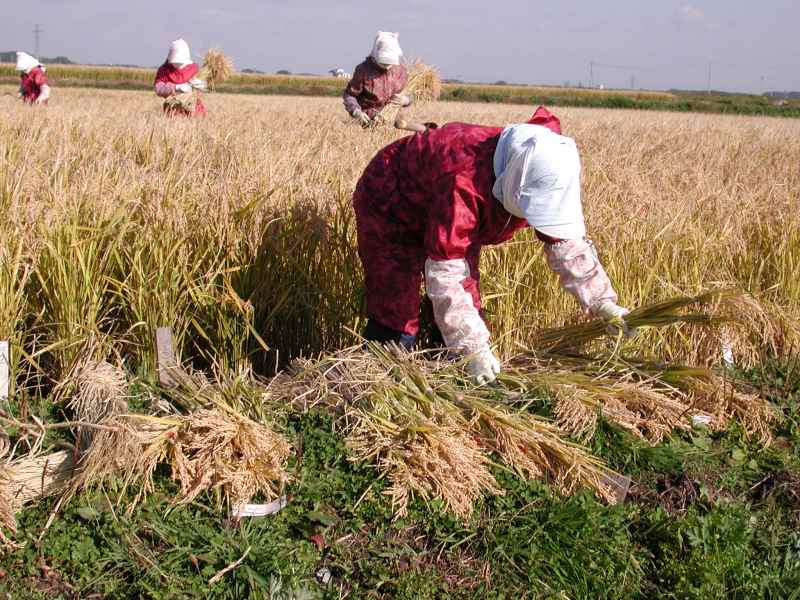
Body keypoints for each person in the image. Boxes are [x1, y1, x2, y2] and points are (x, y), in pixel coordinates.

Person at [353, 107, 634, 384]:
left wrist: (602, 303)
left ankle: (447, 379)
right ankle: (379, 379)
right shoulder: (463, 183)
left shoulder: (547, 161)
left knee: (468, 303)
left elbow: (565, 243)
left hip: (445, 203)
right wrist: (472, 349)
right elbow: (446, 272)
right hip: (391, 203)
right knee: (396, 306)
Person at [343, 31, 412, 128]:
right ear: (376, 55)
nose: (387, 67)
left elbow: (410, 94)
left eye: (389, 64)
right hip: (367, 122)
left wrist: (406, 100)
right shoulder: (363, 70)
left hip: (395, 124)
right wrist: (356, 111)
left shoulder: (401, 71)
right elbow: (350, 95)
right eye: (383, 63)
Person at [154, 39, 207, 117]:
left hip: (194, 110)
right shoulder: (164, 71)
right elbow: (158, 88)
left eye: (180, 62)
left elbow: (205, 86)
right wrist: (175, 87)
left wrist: (202, 85)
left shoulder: (194, 69)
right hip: (174, 111)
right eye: (175, 62)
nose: (177, 64)